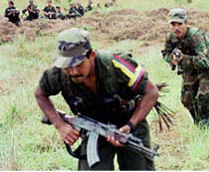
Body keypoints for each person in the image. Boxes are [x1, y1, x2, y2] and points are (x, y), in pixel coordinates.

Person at [34, 28, 158, 170]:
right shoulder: (57, 74)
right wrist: (60, 125)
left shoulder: (116, 64)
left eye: (79, 64)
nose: (73, 72)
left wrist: (130, 126)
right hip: (92, 127)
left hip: (128, 123)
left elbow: (152, 93)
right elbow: (40, 94)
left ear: (91, 55)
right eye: (67, 66)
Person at [161, 8, 209, 127]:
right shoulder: (171, 37)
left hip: (207, 68)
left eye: (179, 24)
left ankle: (205, 126)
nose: (176, 28)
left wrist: (183, 58)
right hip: (189, 69)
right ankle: (198, 123)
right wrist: (172, 59)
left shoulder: (196, 36)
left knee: (204, 96)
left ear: (186, 23)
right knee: (187, 99)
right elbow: (166, 53)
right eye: (173, 24)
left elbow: (204, 62)